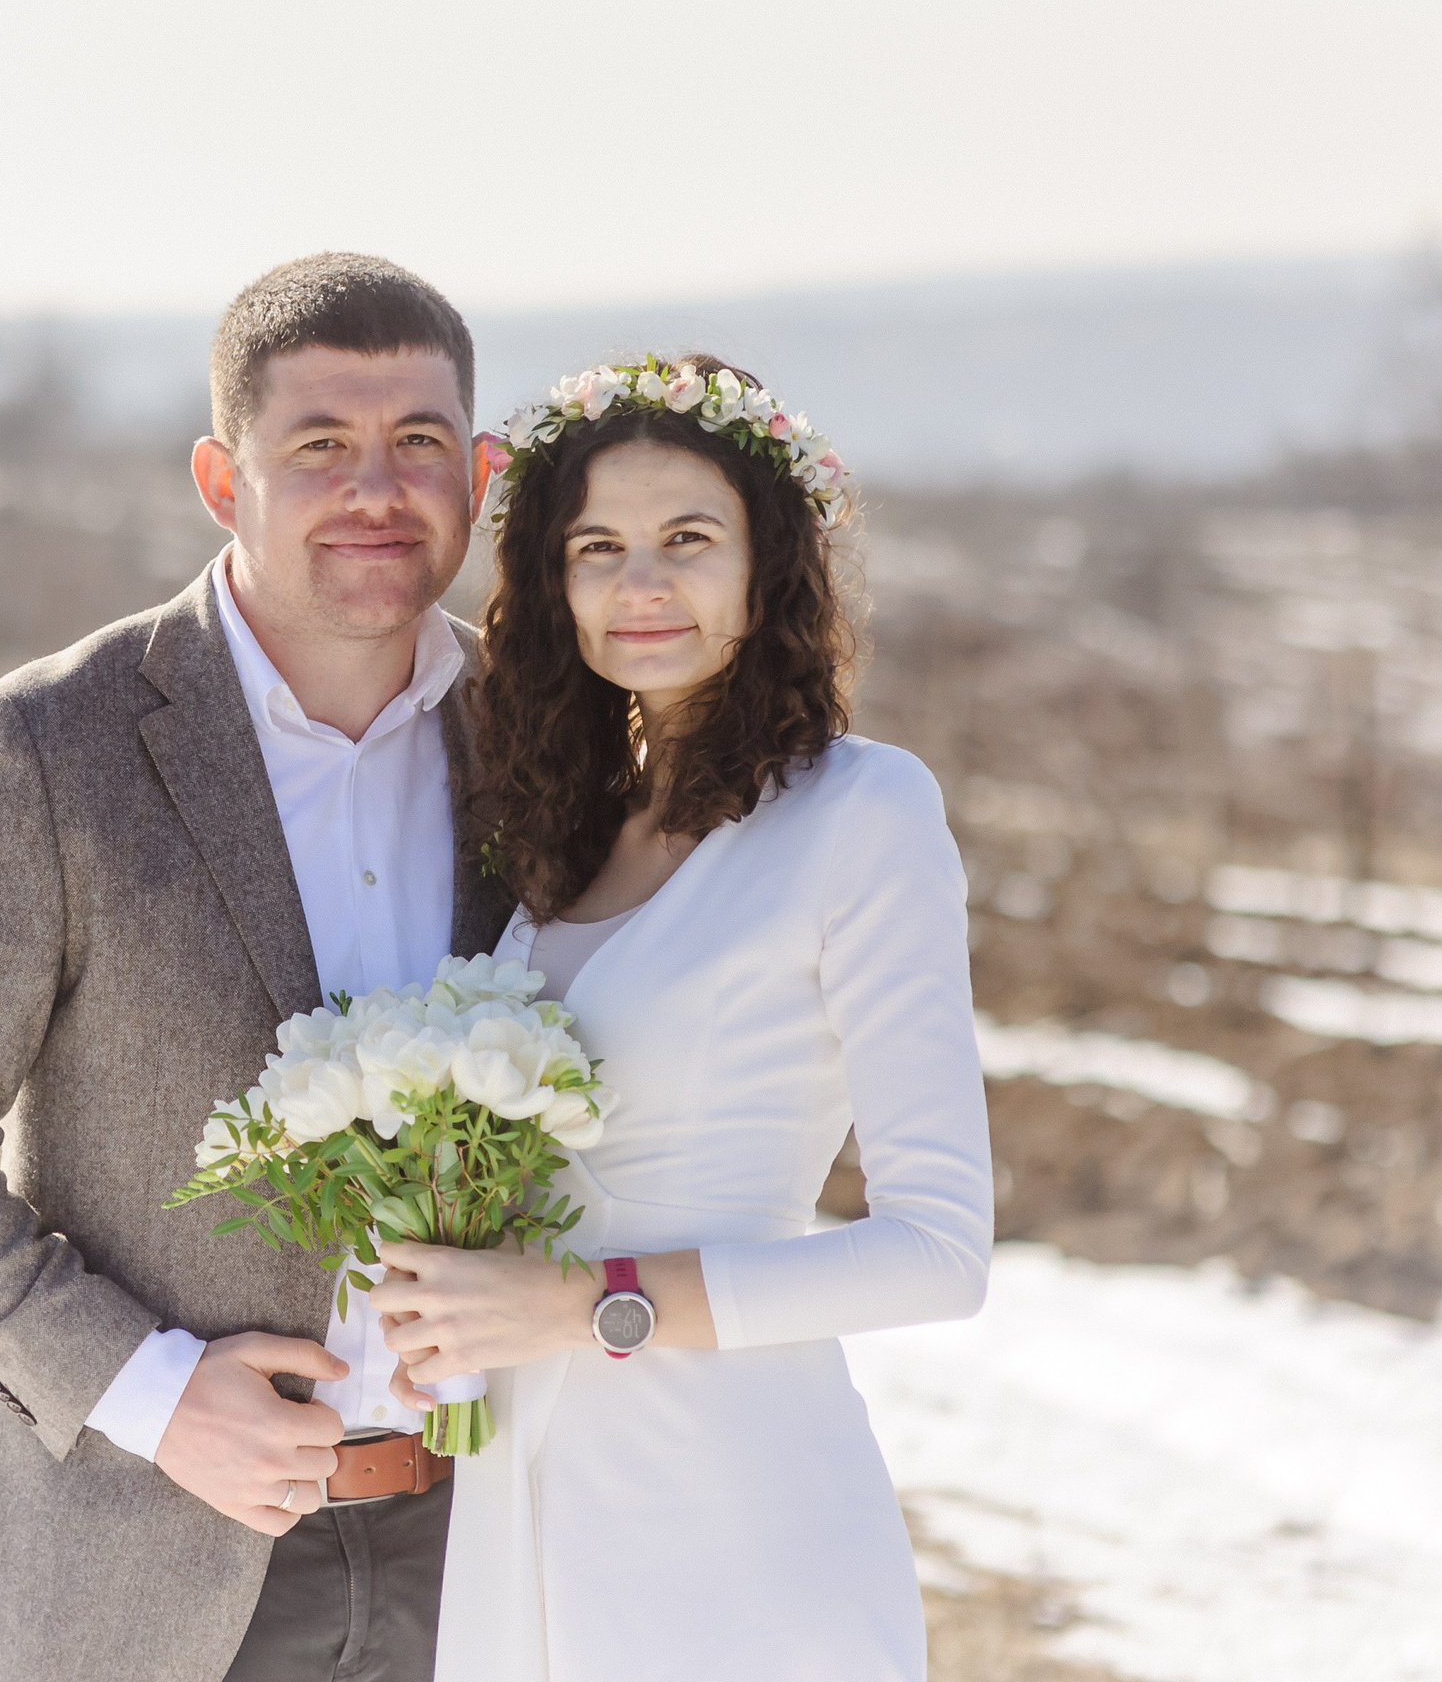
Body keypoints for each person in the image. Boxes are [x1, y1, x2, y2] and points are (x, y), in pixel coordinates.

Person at [0, 253, 515, 1682]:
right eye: (317, 446)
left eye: (418, 442)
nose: (376, 489)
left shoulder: (547, 741)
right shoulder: (51, 748)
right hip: (138, 1568)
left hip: (491, 1556)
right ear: (220, 479)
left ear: (480, 473)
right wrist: (151, 1393)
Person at [367, 357, 994, 1680]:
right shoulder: (575, 824)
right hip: (522, 1476)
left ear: (769, 569)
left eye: (689, 539)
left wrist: (582, 1306)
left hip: (729, 1504)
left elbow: (938, 1254)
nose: (639, 584)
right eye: (597, 548)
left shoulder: (862, 814)